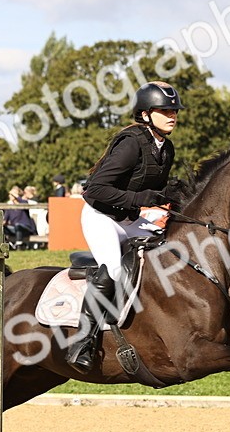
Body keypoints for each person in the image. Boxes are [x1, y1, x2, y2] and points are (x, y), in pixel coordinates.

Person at [66, 80, 183, 371]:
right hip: (101, 216)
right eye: (164, 110)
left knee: (171, 249)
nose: (172, 116)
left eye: (174, 111)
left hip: (130, 218)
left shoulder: (165, 148)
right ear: (145, 114)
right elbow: (93, 191)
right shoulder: (132, 143)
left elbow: (158, 190)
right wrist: (141, 199)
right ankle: (82, 341)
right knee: (114, 269)